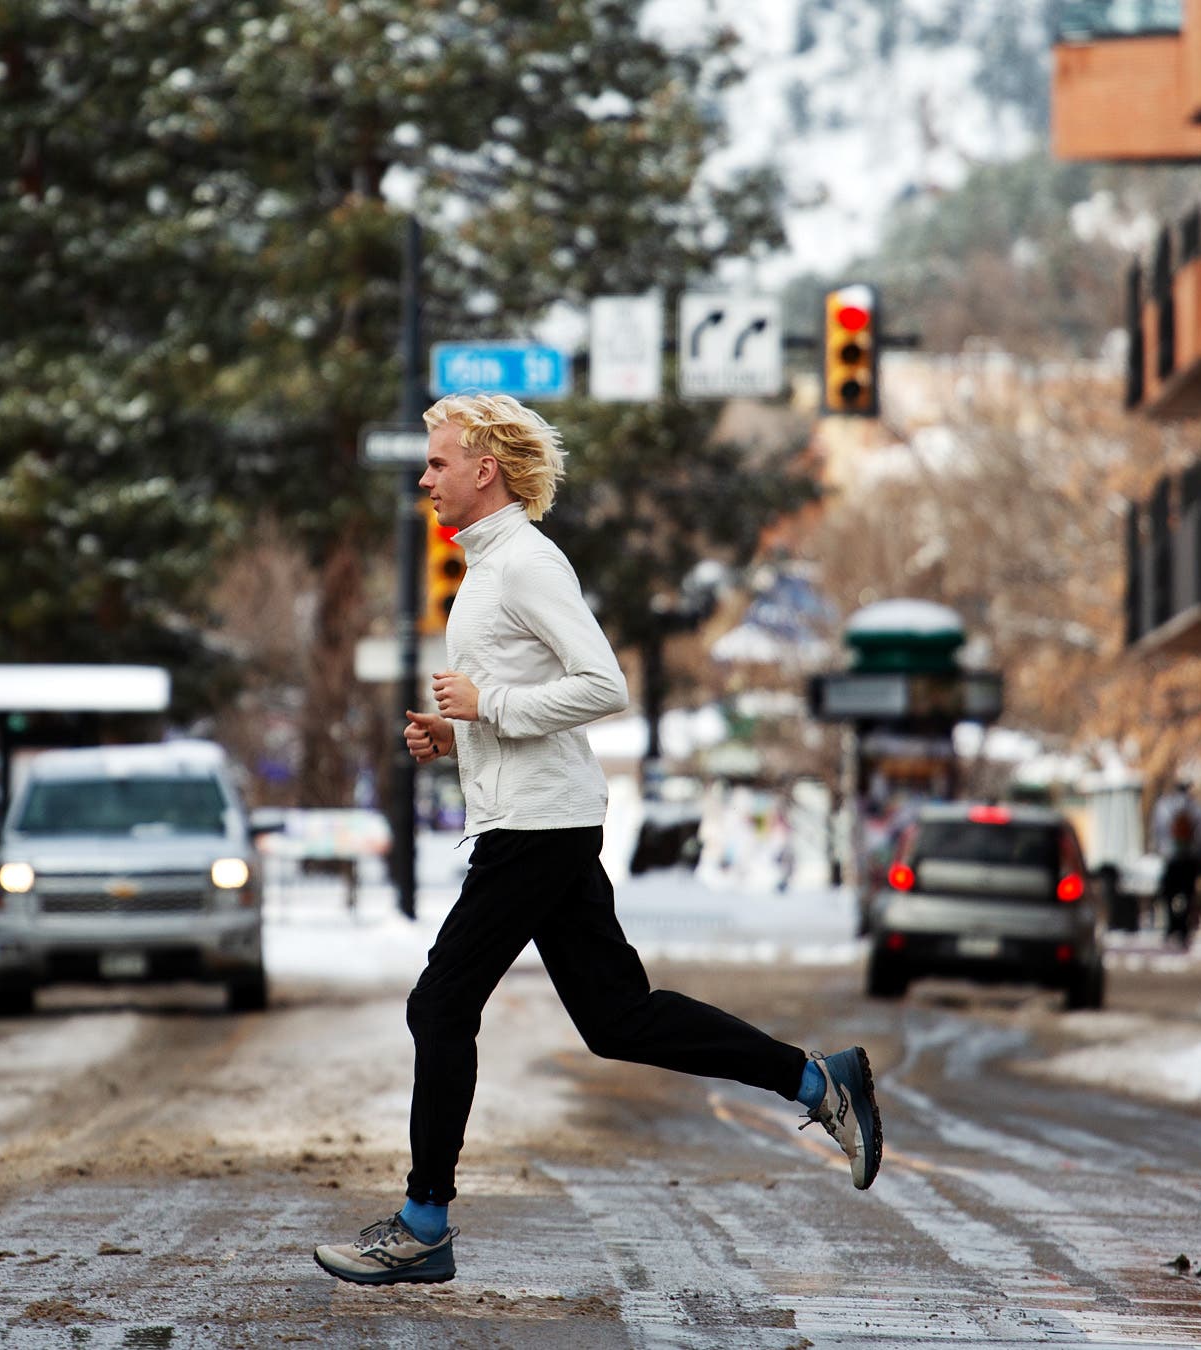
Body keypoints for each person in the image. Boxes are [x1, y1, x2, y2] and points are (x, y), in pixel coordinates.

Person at [312, 394, 883, 1287]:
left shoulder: (527, 564)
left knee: (441, 1004)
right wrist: (459, 736)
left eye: (438, 463)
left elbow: (603, 686)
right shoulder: (488, 565)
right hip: (541, 816)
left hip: (536, 827)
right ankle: (817, 1081)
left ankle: (424, 1223)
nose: (424, 480)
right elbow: (524, 709)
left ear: (485, 470)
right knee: (617, 1018)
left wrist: (488, 706)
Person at [1150, 780, 1201, 948]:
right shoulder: (1196, 807)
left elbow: (1157, 831)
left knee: (1168, 895)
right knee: (1187, 895)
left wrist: (1161, 850)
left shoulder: (1164, 806)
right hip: (1189, 860)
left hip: (1171, 859)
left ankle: (1172, 926)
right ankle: (1184, 928)